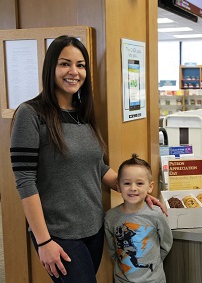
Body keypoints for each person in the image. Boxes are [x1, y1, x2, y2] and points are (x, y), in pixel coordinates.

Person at [10, 35, 163, 282]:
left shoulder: (82, 114)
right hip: (58, 234)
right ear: (51, 67)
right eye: (64, 64)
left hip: (93, 228)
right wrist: (43, 241)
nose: (74, 72)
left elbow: (98, 167)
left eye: (80, 65)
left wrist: (137, 190)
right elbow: (25, 181)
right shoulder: (30, 114)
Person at [104, 153, 173, 283]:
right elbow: (112, 250)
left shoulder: (156, 214)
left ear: (150, 187)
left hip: (154, 280)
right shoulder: (110, 217)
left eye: (140, 183)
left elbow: (166, 243)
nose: (133, 188)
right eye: (127, 183)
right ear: (118, 186)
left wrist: (154, 261)